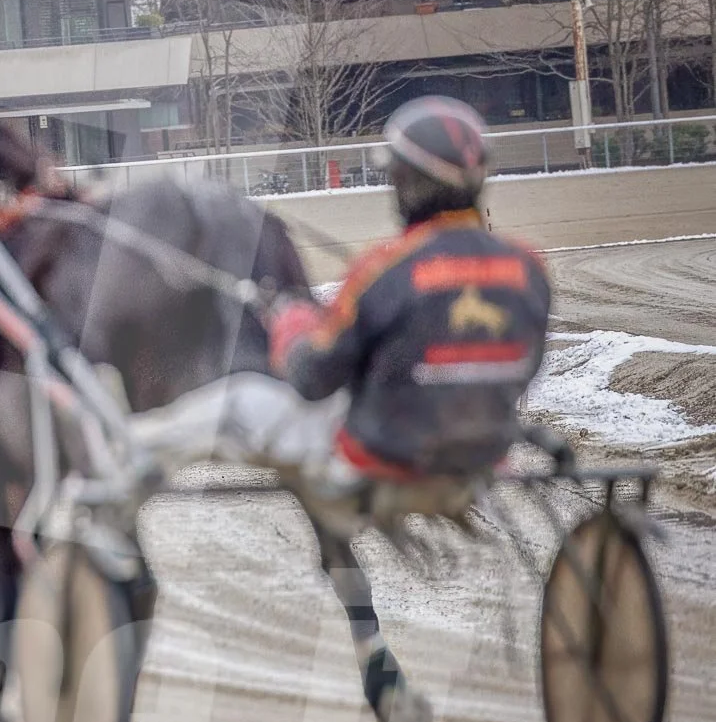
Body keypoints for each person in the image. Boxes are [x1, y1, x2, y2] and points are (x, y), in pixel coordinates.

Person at [130, 95, 553, 523]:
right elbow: (527, 364)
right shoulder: (529, 267)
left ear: (408, 180)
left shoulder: (384, 269)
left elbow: (314, 379)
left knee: (237, 402)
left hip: (383, 465)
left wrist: (291, 324)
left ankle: (119, 455)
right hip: (482, 458)